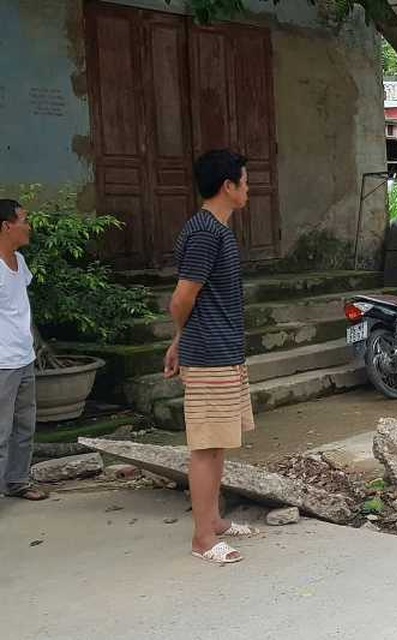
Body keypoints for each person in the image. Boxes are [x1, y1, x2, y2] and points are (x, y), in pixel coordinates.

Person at [164, 150, 258, 564]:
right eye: (245, 181)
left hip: (223, 351)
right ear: (228, 186)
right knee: (205, 446)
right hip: (209, 355)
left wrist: (178, 341)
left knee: (218, 442)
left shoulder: (216, 230)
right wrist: (183, 340)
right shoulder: (205, 233)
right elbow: (181, 298)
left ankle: (214, 521)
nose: (248, 188)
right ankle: (203, 538)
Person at [0, 199, 47, 501]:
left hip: (24, 357)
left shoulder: (19, 261)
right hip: (2, 362)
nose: (28, 227)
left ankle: (17, 481)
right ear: (6, 226)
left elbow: (20, 306)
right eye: (24, 221)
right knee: (0, 432)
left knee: (24, 425)